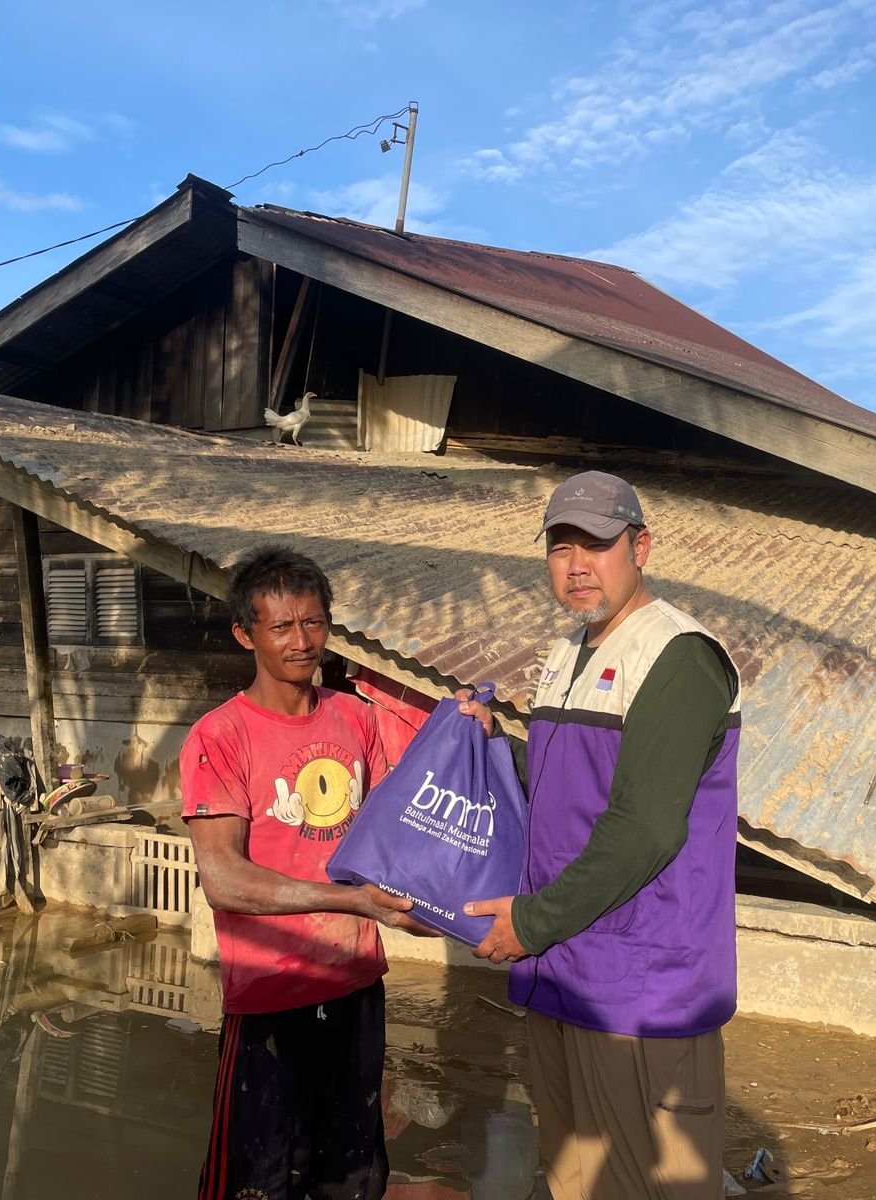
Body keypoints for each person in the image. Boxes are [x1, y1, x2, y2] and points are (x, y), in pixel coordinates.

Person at [458, 471, 741, 1200]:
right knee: (574, 1182)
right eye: (561, 547)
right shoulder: (567, 655)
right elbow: (561, 784)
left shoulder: (678, 657)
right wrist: (491, 746)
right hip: (565, 973)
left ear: (639, 548)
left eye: (597, 544)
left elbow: (644, 828)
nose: (577, 565)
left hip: (640, 992)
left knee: (647, 1187)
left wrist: (530, 922)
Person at [181, 543, 425, 1200]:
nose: (301, 641)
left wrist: (467, 727)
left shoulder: (356, 718)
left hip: (356, 987)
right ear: (245, 634)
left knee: (352, 1176)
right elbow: (224, 880)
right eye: (282, 626)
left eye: (313, 622)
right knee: (258, 1182)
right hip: (270, 1000)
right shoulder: (219, 736)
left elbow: (412, 813)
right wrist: (353, 902)